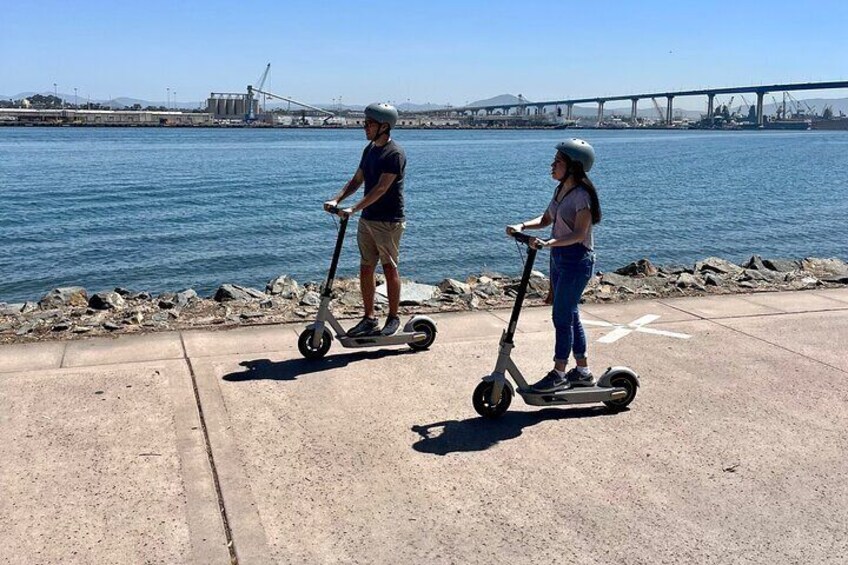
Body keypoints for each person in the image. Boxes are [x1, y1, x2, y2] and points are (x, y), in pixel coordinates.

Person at [506, 139, 602, 392]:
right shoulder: (561, 190)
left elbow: (580, 234)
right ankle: (582, 371)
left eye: (558, 161)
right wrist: (522, 226)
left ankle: (559, 374)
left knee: (561, 317)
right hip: (559, 257)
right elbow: (547, 218)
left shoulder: (582, 197)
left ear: (573, 166)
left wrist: (549, 242)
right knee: (570, 314)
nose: (552, 165)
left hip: (576, 260)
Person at [324, 103, 406, 337]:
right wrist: (337, 199)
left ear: (384, 126)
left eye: (369, 123)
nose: (365, 127)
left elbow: (381, 189)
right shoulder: (369, 149)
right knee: (366, 268)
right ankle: (369, 319)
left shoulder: (395, 154)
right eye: (365, 123)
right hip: (368, 218)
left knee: (390, 268)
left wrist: (354, 208)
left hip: (388, 220)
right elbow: (357, 179)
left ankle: (393, 317)